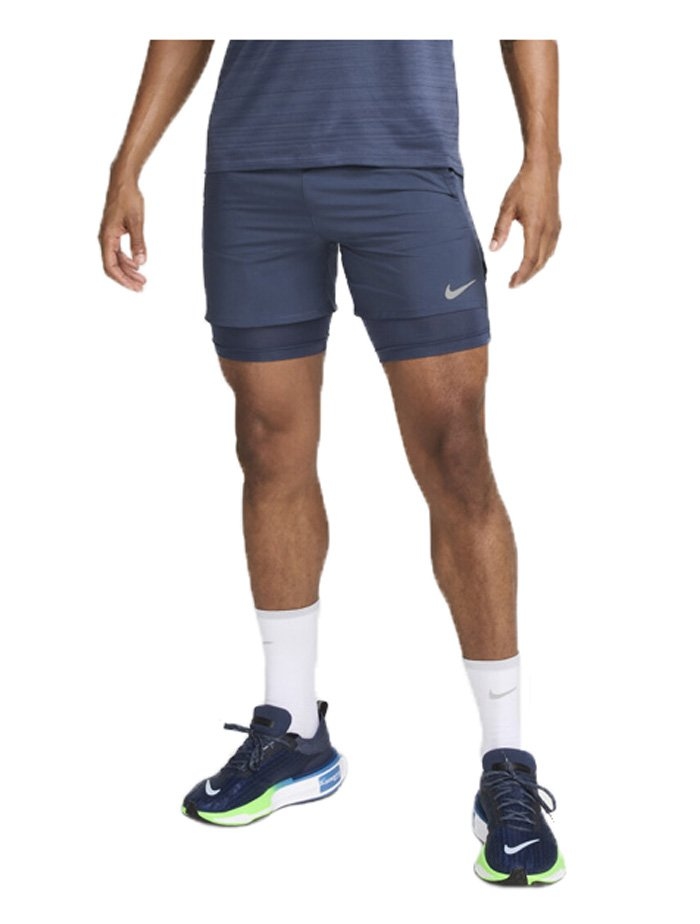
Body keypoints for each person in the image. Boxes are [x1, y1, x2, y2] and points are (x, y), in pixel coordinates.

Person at [98, 39, 564, 886]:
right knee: (267, 446)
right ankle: (293, 732)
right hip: (254, 170)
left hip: (404, 163)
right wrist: (128, 162)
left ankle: (507, 763)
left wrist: (543, 156)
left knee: (456, 455)